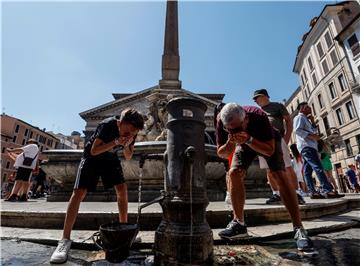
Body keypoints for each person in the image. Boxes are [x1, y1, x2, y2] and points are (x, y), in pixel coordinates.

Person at [50, 108, 144, 264]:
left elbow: (128, 156)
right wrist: (115, 142)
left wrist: (127, 145)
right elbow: (94, 151)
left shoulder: (131, 132)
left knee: (122, 190)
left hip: (110, 159)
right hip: (91, 158)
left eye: (134, 133)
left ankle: (124, 231)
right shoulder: (106, 125)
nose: (130, 135)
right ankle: (64, 240)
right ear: (120, 123)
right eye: (128, 131)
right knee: (79, 193)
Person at [216, 103, 313, 251]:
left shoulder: (259, 116)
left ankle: (299, 228)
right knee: (234, 172)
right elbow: (221, 153)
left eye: (236, 128)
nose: (233, 131)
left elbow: (269, 151)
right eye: (229, 129)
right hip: (243, 143)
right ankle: (239, 223)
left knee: (278, 174)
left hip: (266, 140)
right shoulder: (222, 122)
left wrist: (248, 139)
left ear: (246, 119)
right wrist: (230, 142)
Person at [253, 89, 305, 205]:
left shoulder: (277, 106)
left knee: (287, 166)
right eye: (254, 99)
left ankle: (296, 193)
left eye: (257, 98)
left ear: (265, 96)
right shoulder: (257, 111)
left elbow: (288, 121)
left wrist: (286, 137)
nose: (255, 101)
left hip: (277, 138)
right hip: (263, 141)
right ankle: (276, 194)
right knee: (268, 169)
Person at [293, 102, 342, 199]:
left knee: (307, 171)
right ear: (302, 108)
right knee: (318, 167)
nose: (310, 108)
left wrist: (313, 121)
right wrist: (312, 136)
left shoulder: (306, 119)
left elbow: (314, 131)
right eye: (308, 107)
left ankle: (313, 192)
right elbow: (297, 130)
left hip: (310, 146)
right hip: (307, 146)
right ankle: (327, 190)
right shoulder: (299, 118)